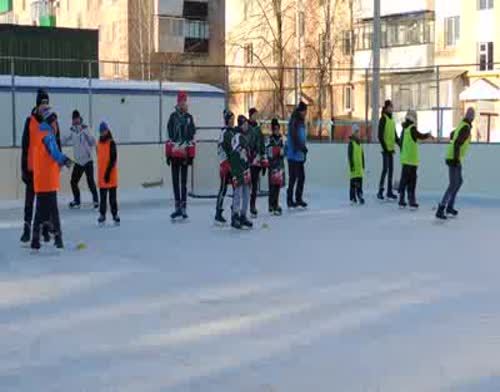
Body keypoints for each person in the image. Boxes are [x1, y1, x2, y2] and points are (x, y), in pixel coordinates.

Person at [31, 108, 72, 250]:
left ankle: (35, 241)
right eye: (55, 122)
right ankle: (58, 239)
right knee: (54, 210)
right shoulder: (48, 135)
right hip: (48, 180)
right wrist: (65, 160)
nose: (56, 126)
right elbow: (54, 152)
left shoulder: (38, 133)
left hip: (40, 180)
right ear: (50, 122)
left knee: (39, 211)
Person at [20, 89, 51, 244]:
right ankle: (26, 229)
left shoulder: (48, 122)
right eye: (42, 103)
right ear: (37, 105)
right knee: (29, 202)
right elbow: (25, 146)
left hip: (45, 170)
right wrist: (24, 169)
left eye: (47, 103)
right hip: (32, 169)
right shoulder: (30, 121)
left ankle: (44, 230)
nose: (45, 106)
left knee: (44, 202)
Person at [436, 107, 475, 220]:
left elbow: (452, 135)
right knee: (454, 184)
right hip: (453, 158)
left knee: (458, 182)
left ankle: (449, 206)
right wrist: (457, 160)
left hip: (453, 157)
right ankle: (441, 208)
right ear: (472, 117)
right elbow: (457, 143)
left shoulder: (462, 125)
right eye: (472, 115)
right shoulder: (466, 128)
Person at [165, 91, 196, 221]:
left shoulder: (189, 117)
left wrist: (191, 155)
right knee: (175, 181)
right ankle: (177, 206)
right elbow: (168, 135)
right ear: (178, 102)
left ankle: (183, 207)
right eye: (181, 101)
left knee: (183, 182)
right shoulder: (172, 117)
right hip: (174, 154)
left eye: (185, 101)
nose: (183, 103)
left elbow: (192, 136)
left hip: (184, 154)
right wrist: (168, 154)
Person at [64, 110, 99, 209]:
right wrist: (56, 139)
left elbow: (93, 141)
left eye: (77, 118)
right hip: (79, 162)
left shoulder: (85, 128)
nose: (75, 120)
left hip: (88, 160)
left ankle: (96, 200)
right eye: (74, 119)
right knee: (73, 181)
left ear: (80, 118)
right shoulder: (72, 130)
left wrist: (90, 139)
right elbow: (65, 139)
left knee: (90, 181)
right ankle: (77, 201)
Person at [398, 110, 432, 209]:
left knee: (404, 180)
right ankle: (411, 200)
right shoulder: (412, 128)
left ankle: (401, 200)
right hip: (412, 160)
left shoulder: (404, 130)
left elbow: (401, 143)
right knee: (412, 181)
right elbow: (419, 136)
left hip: (405, 159)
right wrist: (428, 135)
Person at [229, 115, 253, 229]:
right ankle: (235, 216)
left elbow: (247, 152)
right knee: (238, 193)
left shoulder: (243, 136)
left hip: (245, 168)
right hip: (238, 169)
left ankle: (243, 215)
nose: (246, 126)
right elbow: (234, 152)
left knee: (246, 192)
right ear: (241, 124)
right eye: (245, 124)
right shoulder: (237, 136)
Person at [97, 122, 120, 226]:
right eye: (101, 131)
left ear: (107, 130)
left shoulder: (111, 143)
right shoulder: (99, 143)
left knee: (112, 198)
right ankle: (102, 215)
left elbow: (113, 159)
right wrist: (103, 174)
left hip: (110, 175)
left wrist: (107, 173)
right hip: (102, 175)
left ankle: (115, 215)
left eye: (104, 131)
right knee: (102, 198)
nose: (102, 133)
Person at [215, 109, 235, 224]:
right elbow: (224, 149)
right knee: (223, 189)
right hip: (225, 165)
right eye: (231, 119)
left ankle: (234, 210)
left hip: (231, 164)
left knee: (235, 188)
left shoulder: (231, 132)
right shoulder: (225, 133)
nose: (233, 121)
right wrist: (226, 162)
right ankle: (218, 212)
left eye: (233, 119)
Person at [287, 101, 308, 208]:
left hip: (299, 154)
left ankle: (298, 198)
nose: (305, 113)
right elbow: (295, 138)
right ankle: (290, 200)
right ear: (300, 111)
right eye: (304, 111)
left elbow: (302, 137)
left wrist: (303, 150)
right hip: (293, 154)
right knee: (293, 178)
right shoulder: (294, 122)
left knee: (301, 177)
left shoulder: (301, 121)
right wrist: (301, 148)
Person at [377, 100, 400, 201]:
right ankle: (380, 191)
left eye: (392, 107)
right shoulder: (383, 119)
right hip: (386, 150)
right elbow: (380, 136)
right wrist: (385, 148)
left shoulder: (392, 121)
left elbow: (395, 136)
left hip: (391, 150)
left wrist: (401, 144)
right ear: (386, 108)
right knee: (385, 170)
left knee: (391, 171)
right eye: (390, 107)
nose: (392, 108)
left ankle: (389, 191)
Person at [248, 108, 268, 218]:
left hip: (256, 160)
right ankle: (243, 206)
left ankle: (252, 205)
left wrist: (263, 159)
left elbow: (262, 144)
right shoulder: (247, 127)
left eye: (257, 114)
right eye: (255, 114)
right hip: (248, 160)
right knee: (247, 184)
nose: (256, 116)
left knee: (255, 184)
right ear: (251, 115)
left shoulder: (258, 129)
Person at [266, 118, 285, 215]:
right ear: (273, 130)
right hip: (273, 166)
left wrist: (282, 152)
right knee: (272, 186)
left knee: (277, 185)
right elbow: (269, 152)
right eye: (275, 129)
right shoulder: (270, 139)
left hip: (279, 165)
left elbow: (284, 150)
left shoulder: (281, 139)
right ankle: (271, 205)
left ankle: (276, 204)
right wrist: (276, 151)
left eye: (278, 129)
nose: (277, 131)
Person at [348, 124, 365, 205]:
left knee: (360, 183)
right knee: (353, 184)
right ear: (353, 133)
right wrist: (351, 165)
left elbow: (362, 155)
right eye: (356, 132)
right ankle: (352, 197)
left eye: (358, 132)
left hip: (359, 168)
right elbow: (350, 155)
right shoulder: (351, 143)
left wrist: (363, 165)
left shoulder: (360, 144)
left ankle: (360, 195)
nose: (358, 133)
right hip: (354, 168)